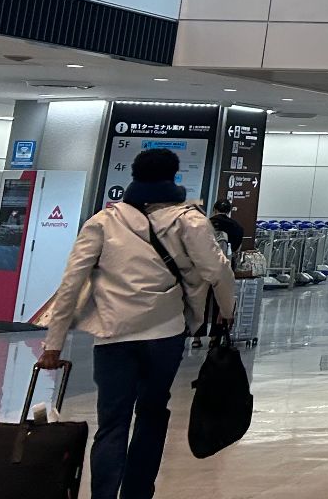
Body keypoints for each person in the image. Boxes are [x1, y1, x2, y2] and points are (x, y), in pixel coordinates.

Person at [38, 148, 237, 499]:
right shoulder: (188, 220)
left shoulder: (103, 221)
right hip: (165, 334)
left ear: (134, 175)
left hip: (113, 337)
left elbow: (71, 283)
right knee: (151, 413)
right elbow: (216, 270)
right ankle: (137, 492)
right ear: (175, 177)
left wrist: (53, 343)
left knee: (112, 423)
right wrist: (226, 310)